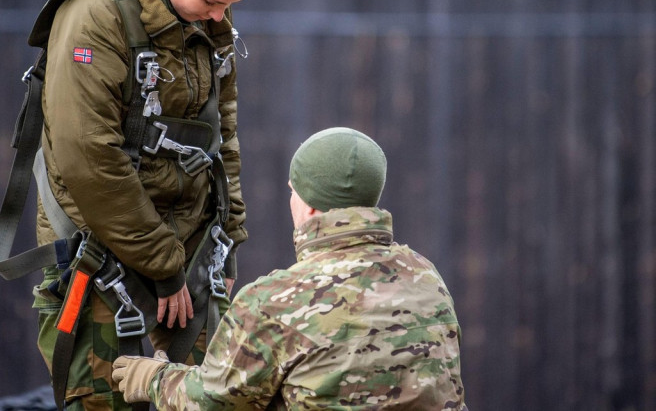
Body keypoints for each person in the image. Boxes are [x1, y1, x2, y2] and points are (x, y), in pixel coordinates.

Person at [29, 0, 276, 410]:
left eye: (231, 5)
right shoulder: (95, 15)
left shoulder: (208, 22)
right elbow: (88, 160)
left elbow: (220, 138)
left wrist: (228, 238)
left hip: (190, 251)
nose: (219, 15)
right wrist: (161, 264)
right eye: (212, 0)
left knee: (216, 397)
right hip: (99, 253)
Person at [112, 127, 468, 410]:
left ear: (310, 207)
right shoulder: (425, 278)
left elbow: (214, 401)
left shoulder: (274, 301)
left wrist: (153, 378)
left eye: (293, 191)